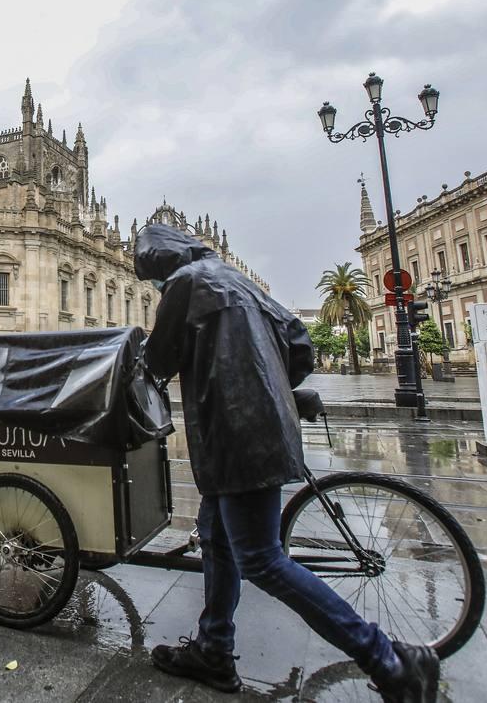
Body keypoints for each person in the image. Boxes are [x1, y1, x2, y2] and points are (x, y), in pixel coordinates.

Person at [134, 223, 439, 702]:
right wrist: (272, 383)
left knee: (261, 560)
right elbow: (300, 342)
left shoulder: (185, 283)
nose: (153, 283)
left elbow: (156, 360)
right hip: (256, 428)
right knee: (216, 538)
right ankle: (214, 648)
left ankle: (389, 659)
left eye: (150, 274)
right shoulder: (234, 278)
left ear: (161, 263)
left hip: (236, 436)